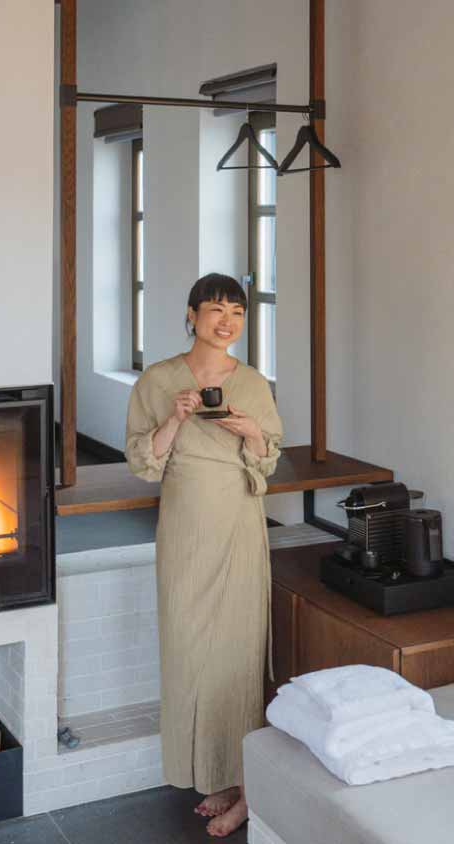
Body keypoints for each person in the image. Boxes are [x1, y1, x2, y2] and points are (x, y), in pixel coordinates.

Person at [124, 273, 283, 838]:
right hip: (186, 521)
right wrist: (176, 418)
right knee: (189, 647)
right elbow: (143, 462)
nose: (227, 322)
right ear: (191, 315)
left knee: (239, 654)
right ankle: (211, 770)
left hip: (238, 520)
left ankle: (245, 788)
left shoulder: (255, 383)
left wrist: (250, 434)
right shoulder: (160, 379)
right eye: (216, 310)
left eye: (237, 312)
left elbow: (268, 459)